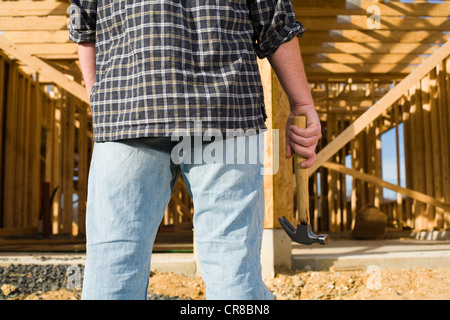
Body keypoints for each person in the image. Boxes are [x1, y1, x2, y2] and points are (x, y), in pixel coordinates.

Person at [68, 0, 321, 300]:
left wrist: (105, 104)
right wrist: (302, 104)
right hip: (226, 109)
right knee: (233, 272)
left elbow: (84, 25)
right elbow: (276, 24)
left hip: (129, 109)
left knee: (114, 266)